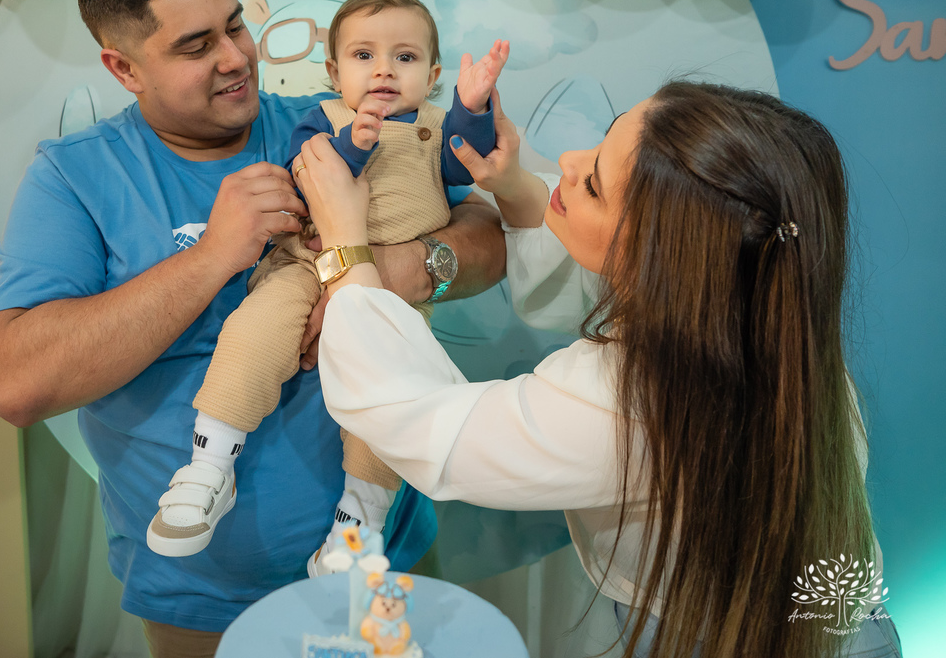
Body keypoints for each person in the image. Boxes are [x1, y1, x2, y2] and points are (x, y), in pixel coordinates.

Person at [0, 0, 507, 655]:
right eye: (196, 46)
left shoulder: (322, 120)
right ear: (123, 67)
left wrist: (397, 267)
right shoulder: (75, 178)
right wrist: (212, 256)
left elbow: (484, 237)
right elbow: (17, 380)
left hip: (386, 559)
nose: (235, 58)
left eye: (235, 25)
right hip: (200, 596)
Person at [296, 81, 901, 658]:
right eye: (603, 140)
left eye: (593, 185)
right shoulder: (762, 310)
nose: (566, 159)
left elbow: (424, 426)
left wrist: (345, 243)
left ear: (654, 261)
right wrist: (511, 183)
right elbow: (594, 264)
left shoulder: (632, 401)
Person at [147, 0, 510, 572]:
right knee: (253, 333)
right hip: (306, 269)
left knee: (393, 396)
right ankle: (209, 465)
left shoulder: (438, 129)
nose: (385, 70)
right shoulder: (323, 118)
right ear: (333, 71)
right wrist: (354, 146)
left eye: (407, 58)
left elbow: (475, 159)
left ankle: (359, 520)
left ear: (434, 73)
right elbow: (308, 169)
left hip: (391, 292)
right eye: (364, 56)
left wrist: (474, 105)